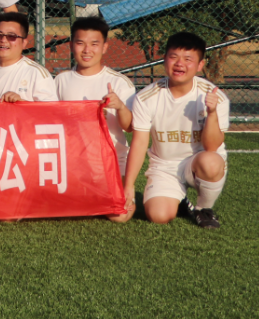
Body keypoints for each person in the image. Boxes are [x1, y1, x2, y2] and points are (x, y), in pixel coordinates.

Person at [123, 32, 228, 228]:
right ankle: (179, 201)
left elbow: (212, 146)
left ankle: (203, 208)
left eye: (188, 59)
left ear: (200, 65)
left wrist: (212, 113)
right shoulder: (146, 97)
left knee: (211, 162)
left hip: (198, 162)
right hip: (165, 166)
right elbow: (139, 143)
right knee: (158, 215)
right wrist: (128, 186)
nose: (180, 64)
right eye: (174, 57)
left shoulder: (214, 96)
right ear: (164, 60)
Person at [55, 16, 136, 188]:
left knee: (119, 207)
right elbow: (48, 119)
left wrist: (120, 106)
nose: (87, 50)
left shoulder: (119, 82)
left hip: (112, 160)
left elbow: (129, 127)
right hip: (71, 160)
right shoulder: (61, 80)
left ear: (104, 47)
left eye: (94, 44)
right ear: (71, 45)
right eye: (80, 43)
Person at [0, 13, 58, 102]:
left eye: (11, 36)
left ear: (24, 43)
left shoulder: (36, 73)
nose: (3, 40)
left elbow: (50, 109)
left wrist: (21, 103)